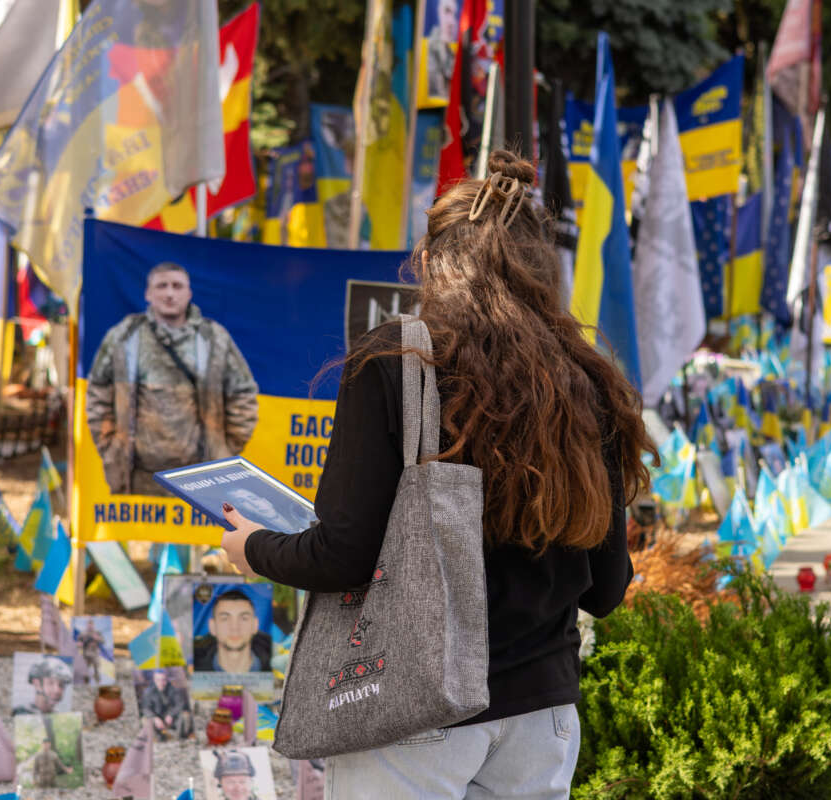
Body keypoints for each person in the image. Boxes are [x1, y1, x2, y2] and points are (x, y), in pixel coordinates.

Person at [220, 150, 649, 799]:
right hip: (544, 718)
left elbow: (341, 556)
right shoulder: (585, 380)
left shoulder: (396, 363)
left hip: (415, 709)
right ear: (541, 269)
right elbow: (606, 590)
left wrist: (252, 546)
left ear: (433, 261)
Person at [85, 262, 259, 496]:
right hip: (137, 480)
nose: (169, 294)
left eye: (177, 286)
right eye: (162, 286)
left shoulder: (214, 338)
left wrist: (223, 450)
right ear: (148, 293)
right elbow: (97, 391)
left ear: (189, 294)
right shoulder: (124, 336)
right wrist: (112, 448)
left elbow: (244, 394)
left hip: (200, 480)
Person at [193, 589, 272, 673]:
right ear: (212, 627)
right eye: (225, 619)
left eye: (244, 618)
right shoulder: (191, 671)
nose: (235, 628)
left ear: (255, 625)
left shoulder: (277, 668)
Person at [139, 668, 193, 740]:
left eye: (163, 680)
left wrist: (171, 714)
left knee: (185, 716)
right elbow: (145, 708)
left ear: (167, 680)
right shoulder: (148, 692)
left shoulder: (174, 689)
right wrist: (155, 718)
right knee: (144, 720)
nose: (161, 683)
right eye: (158, 680)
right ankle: (155, 741)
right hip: (157, 718)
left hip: (172, 718)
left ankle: (179, 739)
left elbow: (180, 704)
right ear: (154, 680)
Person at [228, 486, 311, 532]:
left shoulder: (299, 512)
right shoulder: (260, 531)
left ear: (266, 501)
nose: (254, 504)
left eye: (253, 498)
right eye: (243, 501)